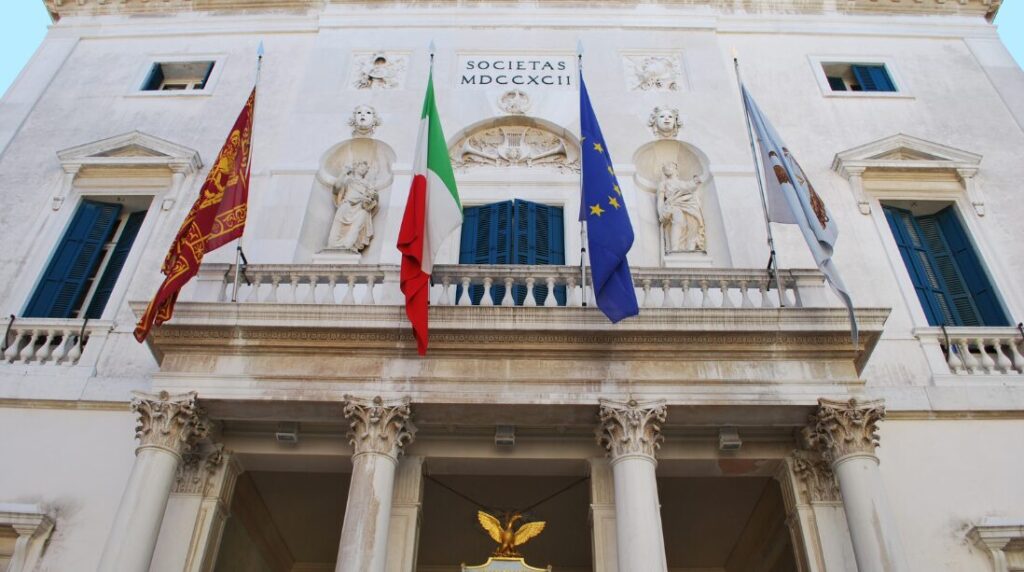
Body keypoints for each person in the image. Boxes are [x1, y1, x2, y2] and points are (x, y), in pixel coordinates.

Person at [328, 161, 379, 252]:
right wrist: (343, 173)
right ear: (355, 167)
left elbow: (374, 199)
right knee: (338, 226)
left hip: (361, 208)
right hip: (347, 205)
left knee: (357, 226)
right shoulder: (348, 179)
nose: (363, 169)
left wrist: (371, 199)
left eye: (365, 169)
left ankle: (349, 246)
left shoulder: (368, 184)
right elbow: (336, 188)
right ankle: (333, 245)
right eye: (361, 167)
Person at [656, 161, 706, 252]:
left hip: (690, 205)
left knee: (692, 225)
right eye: (665, 168)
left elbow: (691, 189)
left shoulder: (683, 183)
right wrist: (661, 214)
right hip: (674, 205)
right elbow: (660, 200)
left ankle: (691, 248)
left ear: (675, 169)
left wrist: (695, 182)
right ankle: (674, 249)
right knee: (678, 218)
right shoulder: (663, 184)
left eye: (669, 166)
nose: (666, 168)